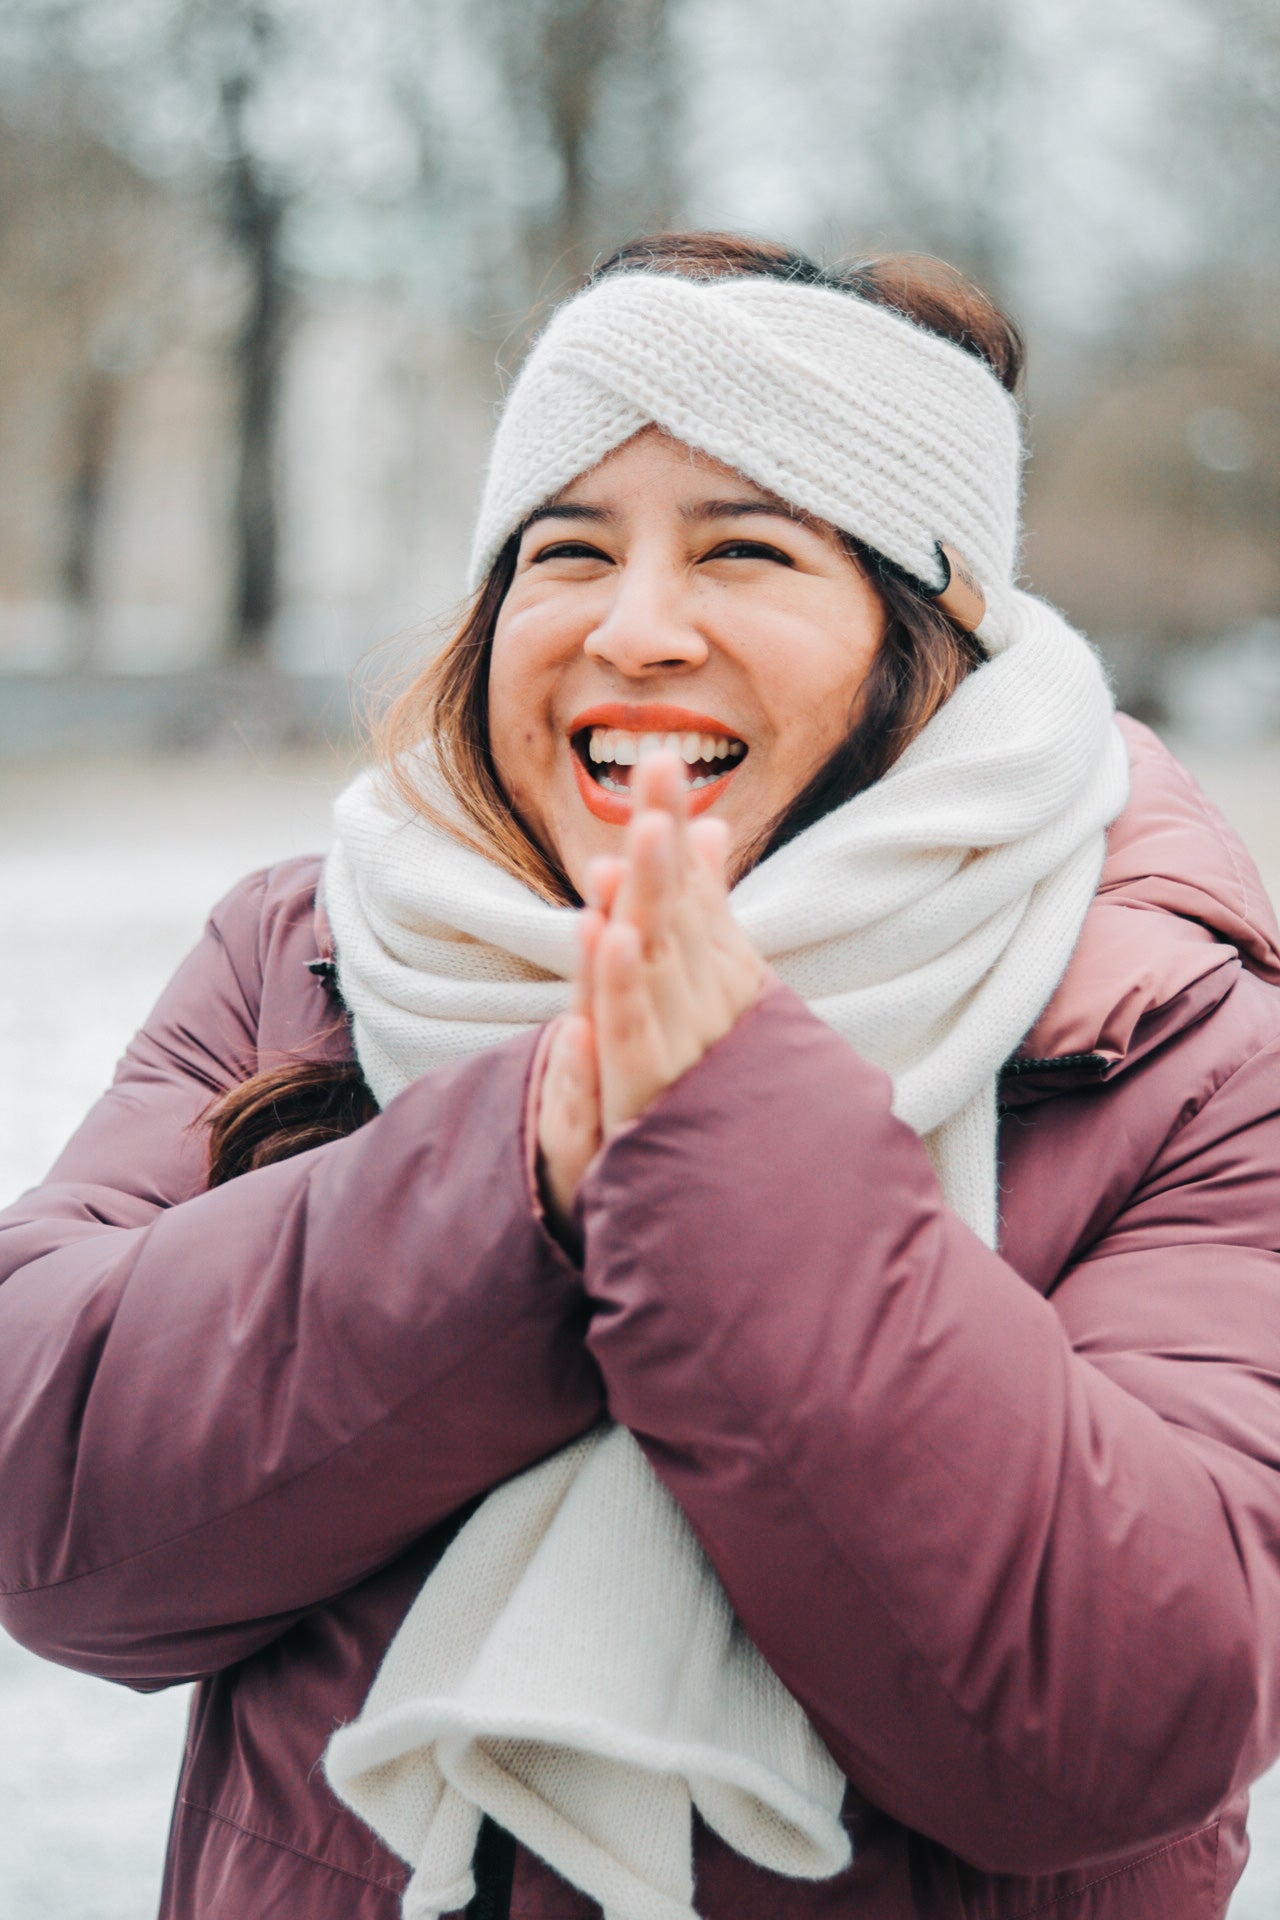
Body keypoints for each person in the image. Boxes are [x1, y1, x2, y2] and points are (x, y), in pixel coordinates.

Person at [2, 232, 1279, 1920]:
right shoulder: (311, 952)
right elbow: (55, 1513)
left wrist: (736, 1154)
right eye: (568, 551)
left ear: (934, 636)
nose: (638, 629)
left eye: (748, 549)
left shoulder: (1182, 1049)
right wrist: (513, 1173)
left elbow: (1120, 1716)